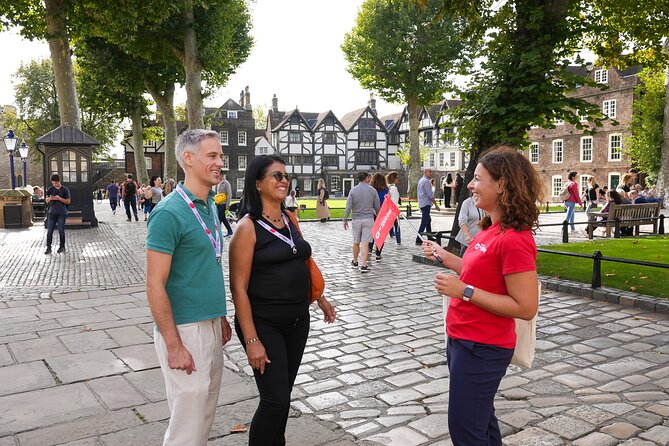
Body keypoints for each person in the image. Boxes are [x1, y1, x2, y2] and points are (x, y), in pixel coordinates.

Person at [422, 145, 542, 446]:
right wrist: (445, 258)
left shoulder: (515, 239)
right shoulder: (490, 228)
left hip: (482, 348)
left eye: (477, 178)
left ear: (501, 184)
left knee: (466, 430)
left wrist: (464, 292)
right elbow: (481, 273)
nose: (471, 185)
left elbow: (525, 306)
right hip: (463, 341)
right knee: (481, 424)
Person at [228, 154, 335, 446]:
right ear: (258, 183)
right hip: (264, 324)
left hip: (298, 321)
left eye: (286, 175)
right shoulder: (247, 228)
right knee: (274, 400)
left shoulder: (289, 219)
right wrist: (252, 341)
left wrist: (319, 297)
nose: (284, 180)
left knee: (283, 396)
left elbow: (301, 261)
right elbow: (238, 289)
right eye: (276, 175)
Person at [146, 129, 232, 445]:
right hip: (184, 329)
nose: (220, 162)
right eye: (212, 156)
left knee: (203, 416)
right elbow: (155, 284)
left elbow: (205, 266)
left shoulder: (208, 205)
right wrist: (173, 344)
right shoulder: (168, 212)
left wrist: (219, 316)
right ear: (188, 158)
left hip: (208, 324)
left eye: (220, 156)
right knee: (187, 424)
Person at [343, 171, 380, 273]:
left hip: (356, 219)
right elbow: (377, 207)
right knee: (365, 243)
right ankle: (363, 265)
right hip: (368, 219)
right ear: (367, 178)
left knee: (356, 242)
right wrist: (379, 217)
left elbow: (348, 206)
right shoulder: (372, 191)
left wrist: (345, 219)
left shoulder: (353, 190)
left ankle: (355, 261)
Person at [44, 174, 71, 255]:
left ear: (59, 181)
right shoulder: (50, 189)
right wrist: (51, 198)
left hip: (62, 212)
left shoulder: (65, 190)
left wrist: (59, 198)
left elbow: (68, 201)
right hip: (52, 212)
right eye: (53, 183)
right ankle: (48, 247)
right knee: (49, 231)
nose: (55, 184)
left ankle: (62, 247)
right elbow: (46, 200)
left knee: (61, 230)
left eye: (56, 183)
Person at [415, 167, 440, 245]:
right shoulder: (426, 181)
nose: (431, 173)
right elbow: (430, 194)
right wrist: (436, 204)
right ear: (425, 172)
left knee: (428, 220)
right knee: (424, 221)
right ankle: (418, 238)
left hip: (422, 203)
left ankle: (429, 236)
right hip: (425, 203)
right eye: (429, 172)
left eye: (431, 172)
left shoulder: (421, 180)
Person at [454, 192, 483, 256]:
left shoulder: (485, 202)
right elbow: (462, 220)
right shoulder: (467, 203)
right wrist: (467, 235)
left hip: (481, 239)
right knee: (465, 260)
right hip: (469, 239)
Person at [369, 173, 389, 260]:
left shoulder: (371, 189)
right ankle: (378, 253)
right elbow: (388, 201)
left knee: (372, 233)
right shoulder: (386, 189)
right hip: (383, 213)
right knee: (381, 233)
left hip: (372, 212)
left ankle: (369, 249)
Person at [386, 171, 401, 244]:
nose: (398, 179)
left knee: (393, 225)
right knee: (397, 225)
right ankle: (398, 240)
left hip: (389, 210)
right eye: (397, 177)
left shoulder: (389, 187)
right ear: (395, 179)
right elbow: (394, 201)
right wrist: (396, 211)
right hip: (393, 210)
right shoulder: (394, 188)